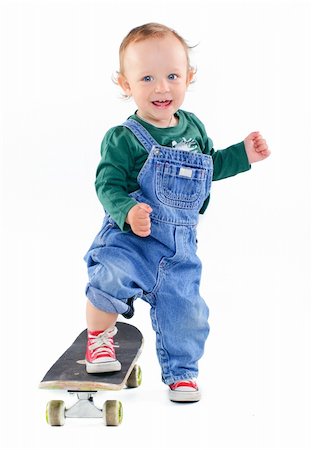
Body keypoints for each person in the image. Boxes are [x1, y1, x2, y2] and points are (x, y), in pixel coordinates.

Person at [84, 23, 270, 402]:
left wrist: (243, 155)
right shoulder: (124, 138)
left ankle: (182, 373)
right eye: (147, 78)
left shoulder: (193, 129)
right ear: (125, 84)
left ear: (189, 76)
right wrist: (128, 210)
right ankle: (99, 339)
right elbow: (107, 184)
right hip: (132, 240)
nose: (161, 88)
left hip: (179, 247)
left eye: (172, 75)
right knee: (109, 278)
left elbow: (210, 166)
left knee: (187, 313)